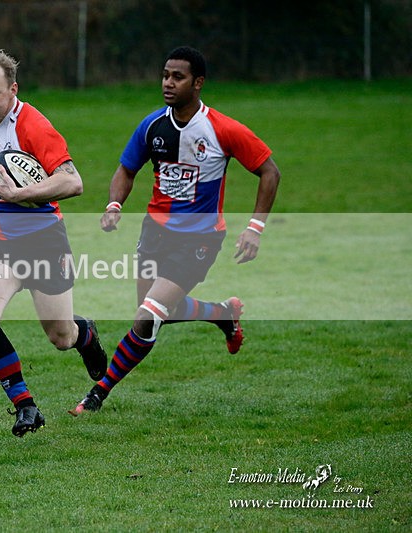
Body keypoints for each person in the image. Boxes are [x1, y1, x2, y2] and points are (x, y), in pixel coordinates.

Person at [70, 46, 281, 415]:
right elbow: (126, 169)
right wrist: (114, 204)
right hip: (154, 233)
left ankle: (98, 394)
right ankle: (221, 314)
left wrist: (255, 228)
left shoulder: (222, 129)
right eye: (165, 75)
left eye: (177, 76)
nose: (168, 82)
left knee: (148, 315)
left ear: (198, 83)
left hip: (199, 239)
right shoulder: (153, 126)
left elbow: (269, 171)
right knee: (153, 308)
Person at [0, 50, 108, 437]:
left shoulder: (34, 127)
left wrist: (21, 193)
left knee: (60, 337)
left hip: (44, 242)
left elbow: (73, 181)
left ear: (13, 90)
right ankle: (25, 407)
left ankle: (87, 336)